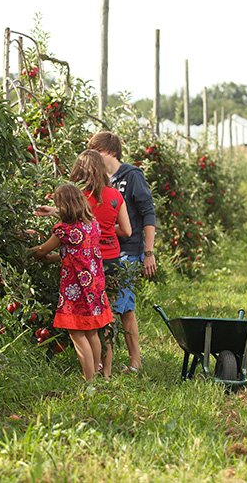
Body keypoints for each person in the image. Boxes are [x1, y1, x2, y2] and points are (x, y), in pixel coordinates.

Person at [36, 150, 131, 378]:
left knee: (78, 330)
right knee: (99, 326)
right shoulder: (111, 202)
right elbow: (126, 230)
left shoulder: (72, 211)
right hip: (102, 267)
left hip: (77, 280)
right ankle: (104, 373)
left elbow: (52, 241)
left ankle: (89, 379)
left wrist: (30, 250)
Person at [29, 183, 113, 382]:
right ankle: (96, 375)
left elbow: (42, 250)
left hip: (76, 289)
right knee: (92, 331)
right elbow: (79, 253)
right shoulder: (92, 225)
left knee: (76, 334)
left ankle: (89, 380)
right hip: (94, 287)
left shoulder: (64, 231)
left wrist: (25, 251)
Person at [87, 131, 156, 373]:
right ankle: (133, 362)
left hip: (129, 250)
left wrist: (149, 252)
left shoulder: (132, 175)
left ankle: (106, 364)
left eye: (97, 151)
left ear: (110, 152)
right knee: (126, 308)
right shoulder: (98, 181)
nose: (93, 157)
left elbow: (148, 212)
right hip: (105, 252)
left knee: (115, 306)